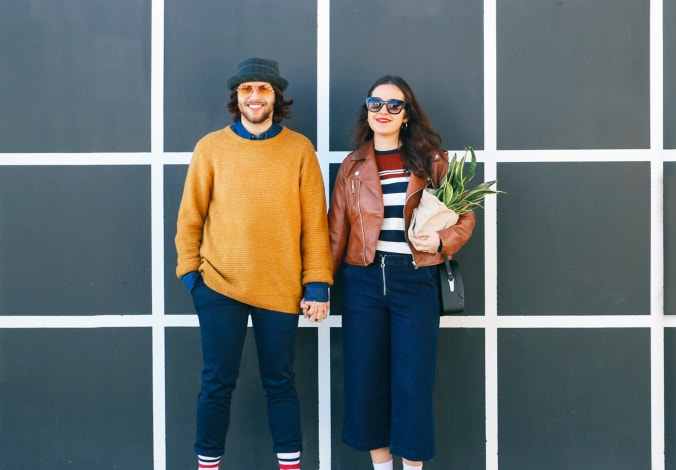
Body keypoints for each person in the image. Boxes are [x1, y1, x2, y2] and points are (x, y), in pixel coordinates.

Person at [175, 57, 332, 470]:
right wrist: (192, 276)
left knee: (280, 383)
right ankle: (207, 464)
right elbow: (190, 217)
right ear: (237, 97)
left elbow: (315, 225)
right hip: (219, 284)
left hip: (280, 286)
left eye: (263, 89)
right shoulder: (211, 147)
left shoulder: (299, 149)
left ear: (276, 95)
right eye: (247, 89)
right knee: (216, 383)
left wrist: (317, 284)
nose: (255, 96)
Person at [327, 76, 476, 470]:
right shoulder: (352, 166)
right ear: (367, 110)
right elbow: (335, 233)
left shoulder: (433, 162)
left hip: (416, 279)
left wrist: (442, 241)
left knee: (413, 382)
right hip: (363, 281)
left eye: (394, 105)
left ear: (407, 115)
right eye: (375, 104)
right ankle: (380, 466)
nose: (383, 112)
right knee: (365, 379)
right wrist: (318, 286)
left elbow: (465, 217)